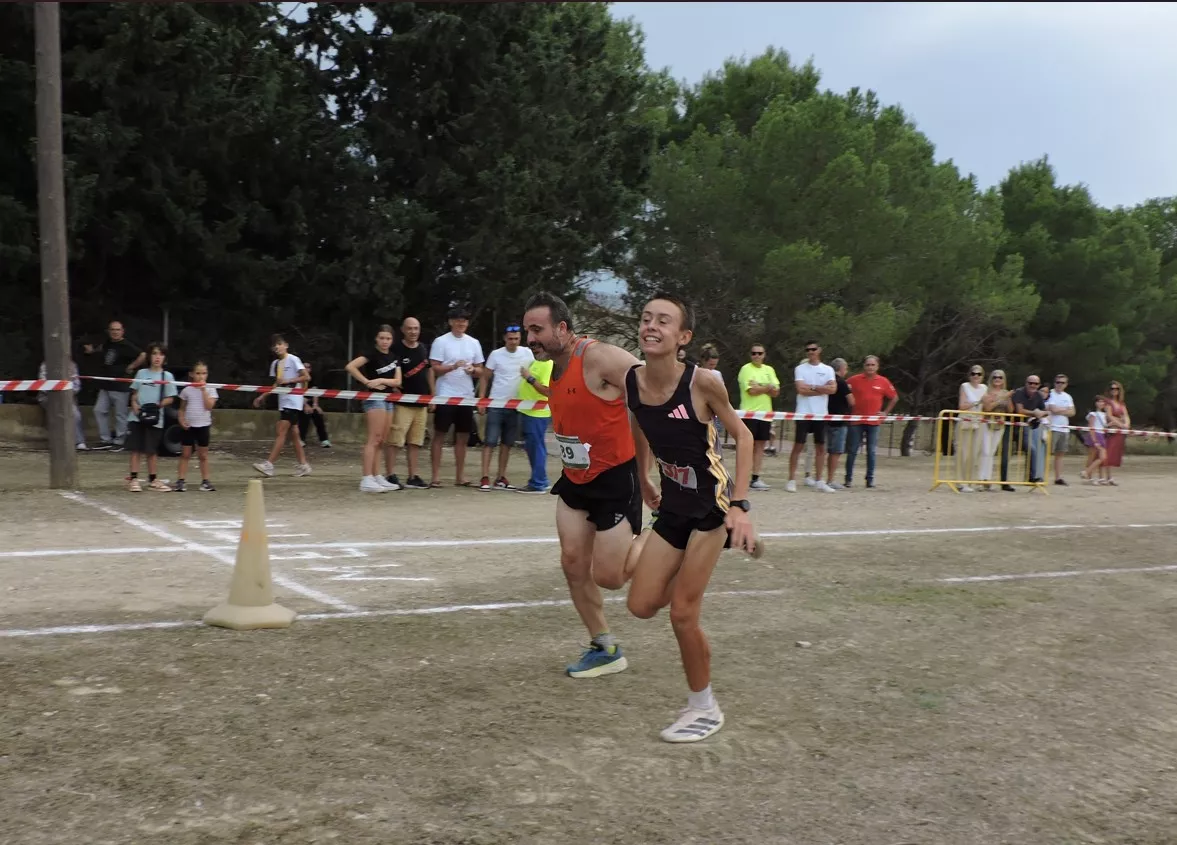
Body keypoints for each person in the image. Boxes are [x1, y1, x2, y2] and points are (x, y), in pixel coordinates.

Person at [624, 294, 762, 743]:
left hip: (711, 507)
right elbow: (639, 425)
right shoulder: (632, 381)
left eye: (663, 321)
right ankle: (699, 562)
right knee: (641, 606)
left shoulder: (703, 382)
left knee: (683, 613)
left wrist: (740, 506)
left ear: (683, 337)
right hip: (673, 506)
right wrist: (644, 476)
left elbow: (743, 437)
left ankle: (704, 707)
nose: (651, 325)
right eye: (646, 318)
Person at [522, 290, 652, 678]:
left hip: (615, 479)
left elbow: (650, 389)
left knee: (611, 577)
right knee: (572, 562)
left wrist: (646, 470)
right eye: (528, 330)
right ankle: (604, 647)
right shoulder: (552, 366)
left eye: (537, 330)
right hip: (576, 479)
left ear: (562, 328)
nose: (530, 338)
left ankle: (665, 533)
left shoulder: (598, 357)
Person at [429, 306, 484, 487]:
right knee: (439, 435)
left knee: (463, 437)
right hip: (445, 395)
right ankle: (435, 477)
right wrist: (452, 367)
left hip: (466, 396)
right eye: (458, 320)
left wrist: (472, 370)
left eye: (465, 320)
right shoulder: (441, 341)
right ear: (451, 322)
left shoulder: (474, 342)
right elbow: (434, 368)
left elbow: (481, 370)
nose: (462, 323)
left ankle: (460, 476)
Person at [346, 325, 402, 493]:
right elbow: (351, 367)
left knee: (382, 440)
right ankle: (366, 477)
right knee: (374, 438)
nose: (385, 341)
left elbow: (398, 381)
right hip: (374, 399)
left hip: (388, 399)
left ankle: (377, 475)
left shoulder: (394, 356)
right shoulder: (370, 354)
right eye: (382, 338)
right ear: (376, 339)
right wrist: (367, 382)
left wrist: (381, 380)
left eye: (388, 338)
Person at [477, 325, 534, 490]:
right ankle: (485, 477)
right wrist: (482, 399)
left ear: (520, 338)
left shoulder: (527, 353)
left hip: (517, 405)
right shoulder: (496, 354)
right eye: (510, 339)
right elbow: (485, 377)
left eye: (516, 339)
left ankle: (501, 477)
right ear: (504, 339)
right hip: (496, 403)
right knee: (490, 441)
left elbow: (534, 373)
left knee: (507, 443)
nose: (513, 342)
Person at [252, 334, 312, 478]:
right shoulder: (275, 364)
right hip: (284, 401)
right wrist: (263, 396)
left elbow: (306, 377)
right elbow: (277, 384)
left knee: (281, 431)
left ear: (286, 345)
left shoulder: (293, 359)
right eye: (274, 345)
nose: (277, 347)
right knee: (295, 435)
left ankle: (269, 465)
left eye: (279, 344)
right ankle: (304, 465)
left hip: (293, 401)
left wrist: (289, 380)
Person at [82, 320, 145, 451]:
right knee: (99, 410)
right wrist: (92, 351)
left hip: (120, 385)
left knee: (120, 414)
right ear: (109, 331)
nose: (115, 332)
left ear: (122, 331)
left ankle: (120, 441)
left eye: (117, 330)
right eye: (112, 329)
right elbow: (101, 350)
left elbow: (143, 355)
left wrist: (131, 366)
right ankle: (105, 440)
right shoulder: (107, 343)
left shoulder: (126, 345)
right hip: (106, 384)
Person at [385, 316, 431, 489]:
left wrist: (432, 395)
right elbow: (388, 371)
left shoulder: (423, 348)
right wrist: (393, 389)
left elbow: (429, 371)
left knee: (416, 441)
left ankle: (413, 476)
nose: (413, 332)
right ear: (403, 330)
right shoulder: (395, 349)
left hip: (422, 402)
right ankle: (390, 475)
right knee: (395, 440)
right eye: (410, 328)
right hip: (402, 403)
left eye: (416, 328)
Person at [126, 342, 178, 492]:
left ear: (164, 358)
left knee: (152, 450)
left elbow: (171, 398)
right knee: (135, 449)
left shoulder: (167, 376)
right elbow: (134, 393)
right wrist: (134, 405)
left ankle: (153, 479)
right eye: (154, 353)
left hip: (155, 418)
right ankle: (133, 479)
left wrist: (158, 405)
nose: (157, 357)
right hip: (137, 417)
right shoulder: (141, 373)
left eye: (161, 354)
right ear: (149, 356)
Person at [787, 341, 836, 493]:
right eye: (808, 349)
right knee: (798, 446)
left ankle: (819, 480)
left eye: (813, 349)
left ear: (819, 350)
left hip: (820, 414)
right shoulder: (800, 369)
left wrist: (813, 387)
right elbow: (801, 390)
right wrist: (822, 389)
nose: (810, 352)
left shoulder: (828, 369)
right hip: (803, 412)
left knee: (820, 447)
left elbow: (833, 389)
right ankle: (791, 480)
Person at [844, 355, 899, 489]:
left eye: (873, 365)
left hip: (874, 422)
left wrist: (885, 412)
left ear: (877, 366)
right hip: (856, 420)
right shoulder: (854, 380)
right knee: (852, 450)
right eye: (868, 365)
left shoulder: (883, 381)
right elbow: (842, 389)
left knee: (871, 451)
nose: (870, 367)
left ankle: (869, 480)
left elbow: (894, 398)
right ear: (864, 366)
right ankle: (848, 479)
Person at [736, 344, 780, 490]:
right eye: (754, 353)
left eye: (759, 353)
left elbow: (776, 392)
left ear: (764, 354)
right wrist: (767, 387)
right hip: (749, 414)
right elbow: (751, 391)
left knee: (760, 447)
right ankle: (742, 478)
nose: (756, 356)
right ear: (750, 355)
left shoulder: (769, 370)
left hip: (765, 415)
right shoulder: (746, 369)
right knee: (747, 447)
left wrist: (760, 386)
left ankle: (755, 478)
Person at [174, 361, 218, 492]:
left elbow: (209, 406)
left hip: (203, 425)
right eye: (198, 373)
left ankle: (205, 481)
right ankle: (181, 480)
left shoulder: (211, 389)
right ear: (192, 374)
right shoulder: (187, 390)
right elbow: (182, 409)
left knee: (203, 455)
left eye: (204, 373)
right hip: (189, 426)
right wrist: (181, 419)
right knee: (185, 454)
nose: (201, 376)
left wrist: (204, 391)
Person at [515, 354, 554, 494]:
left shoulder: (547, 364)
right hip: (528, 411)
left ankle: (538, 483)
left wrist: (529, 378)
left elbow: (546, 390)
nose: (534, 349)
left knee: (536, 448)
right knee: (534, 447)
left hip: (537, 413)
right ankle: (541, 479)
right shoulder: (535, 362)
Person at [37, 358, 87, 450]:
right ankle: (58, 442)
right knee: (56, 412)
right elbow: (42, 384)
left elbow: (76, 385)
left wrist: (67, 394)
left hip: (67, 397)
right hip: (48, 397)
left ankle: (79, 441)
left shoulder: (72, 365)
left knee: (75, 414)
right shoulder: (46, 365)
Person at [955, 365, 988, 492]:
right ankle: (960, 482)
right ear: (969, 375)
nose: (976, 376)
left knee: (974, 453)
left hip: (978, 421)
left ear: (982, 376)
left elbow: (986, 405)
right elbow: (962, 406)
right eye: (973, 373)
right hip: (966, 420)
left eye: (979, 374)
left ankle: (970, 481)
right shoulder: (964, 386)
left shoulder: (984, 388)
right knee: (963, 453)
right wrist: (977, 402)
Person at [824, 358, 854, 490]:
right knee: (835, 452)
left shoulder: (827, 381)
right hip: (839, 421)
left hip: (826, 418)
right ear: (841, 368)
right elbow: (852, 401)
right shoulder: (842, 382)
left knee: (825, 451)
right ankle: (830, 479)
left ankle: (822, 478)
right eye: (845, 368)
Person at [1012, 374, 1048, 484]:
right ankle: (1003, 481)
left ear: (1039, 385)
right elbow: (1020, 410)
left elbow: (1045, 411)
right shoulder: (1019, 392)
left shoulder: (1038, 395)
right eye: (1030, 383)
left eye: (1036, 383)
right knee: (1006, 454)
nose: (1033, 385)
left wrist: (1041, 413)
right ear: (1026, 383)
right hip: (1014, 425)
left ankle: (1032, 477)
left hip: (1028, 427)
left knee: (1032, 450)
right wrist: (1034, 413)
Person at [1046, 374, 1075, 486]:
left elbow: (1072, 412)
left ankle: (1058, 477)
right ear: (1054, 383)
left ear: (1066, 384)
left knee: (1060, 454)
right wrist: (1065, 409)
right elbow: (1052, 409)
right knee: (1047, 453)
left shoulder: (1068, 396)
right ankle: (1041, 475)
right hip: (1052, 427)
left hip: (1064, 429)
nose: (1060, 384)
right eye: (1058, 382)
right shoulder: (1050, 394)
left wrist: (1060, 410)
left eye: (1062, 383)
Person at [297, 362, 331, 449]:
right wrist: (305, 405)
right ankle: (301, 439)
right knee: (306, 414)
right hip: (297, 402)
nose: (306, 369)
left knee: (317, 414)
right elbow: (297, 395)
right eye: (304, 367)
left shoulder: (312, 378)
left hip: (309, 402)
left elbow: (315, 392)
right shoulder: (297, 379)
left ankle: (324, 440)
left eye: (308, 367)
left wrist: (315, 405)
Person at [1102, 380, 1130, 485]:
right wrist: (1121, 424)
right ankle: (1106, 477)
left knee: (1114, 454)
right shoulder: (1108, 402)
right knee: (1108, 453)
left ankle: (1109, 477)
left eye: (1117, 389)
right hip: (1111, 431)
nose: (1114, 390)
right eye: (1112, 389)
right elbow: (1109, 416)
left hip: (1119, 432)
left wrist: (1126, 424)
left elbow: (1126, 416)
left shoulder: (1121, 403)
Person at [1081, 395, 1109, 485]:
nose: (1101, 403)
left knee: (1102, 457)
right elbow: (1091, 427)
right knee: (1092, 456)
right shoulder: (1093, 414)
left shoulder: (1104, 414)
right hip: (1095, 435)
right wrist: (1095, 440)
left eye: (1102, 402)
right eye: (1099, 401)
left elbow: (1105, 425)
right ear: (1095, 403)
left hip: (1102, 435)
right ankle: (1089, 476)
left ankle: (1087, 472)